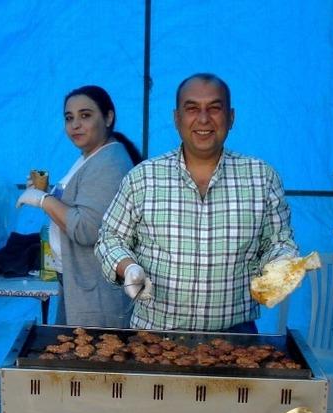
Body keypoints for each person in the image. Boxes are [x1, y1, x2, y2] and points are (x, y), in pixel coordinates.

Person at [95, 73, 299, 333]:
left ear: (231, 117)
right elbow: (109, 238)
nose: (203, 119)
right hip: (155, 337)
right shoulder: (143, 178)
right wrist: (128, 267)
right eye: (192, 109)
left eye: (214, 108)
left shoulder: (262, 178)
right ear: (177, 118)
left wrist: (281, 264)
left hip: (236, 340)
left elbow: (278, 242)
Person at [17, 85, 143, 327]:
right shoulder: (91, 156)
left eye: (85, 115)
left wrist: (44, 200)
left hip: (97, 291)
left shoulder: (110, 163)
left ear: (108, 117)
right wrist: (46, 192)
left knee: (93, 359)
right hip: (78, 282)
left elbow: (87, 229)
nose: (75, 125)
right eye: (69, 118)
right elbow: (81, 202)